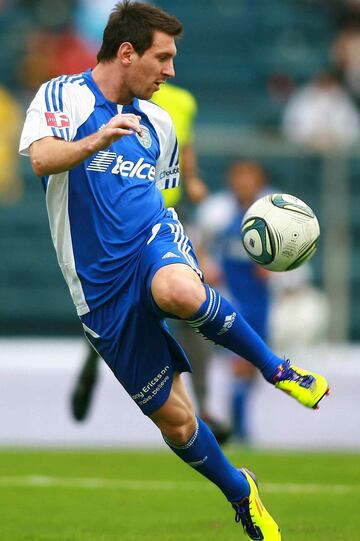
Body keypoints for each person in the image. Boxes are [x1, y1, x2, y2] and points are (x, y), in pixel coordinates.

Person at [19, 3, 329, 539]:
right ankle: (241, 492)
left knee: (178, 289)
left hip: (151, 243)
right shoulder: (61, 95)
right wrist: (97, 140)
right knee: (179, 423)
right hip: (99, 291)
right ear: (126, 52)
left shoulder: (160, 123)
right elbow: (42, 159)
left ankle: (279, 369)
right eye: (162, 57)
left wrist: (186, 249)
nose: (170, 70)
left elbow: (159, 199)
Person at [70, 80, 210, 425]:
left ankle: (203, 407)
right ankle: (92, 367)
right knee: (121, 309)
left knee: (193, 307)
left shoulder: (182, 101)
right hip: (124, 221)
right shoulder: (111, 100)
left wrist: (191, 180)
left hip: (167, 219)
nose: (166, 69)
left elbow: (182, 147)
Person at [196, 161, 273, 442]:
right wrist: (205, 265)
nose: (243, 182)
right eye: (238, 176)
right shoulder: (216, 210)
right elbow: (196, 241)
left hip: (261, 300)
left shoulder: (275, 209)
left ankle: (235, 424)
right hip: (228, 296)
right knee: (240, 361)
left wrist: (275, 268)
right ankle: (234, 427)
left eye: (250, 176)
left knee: (252, 368)